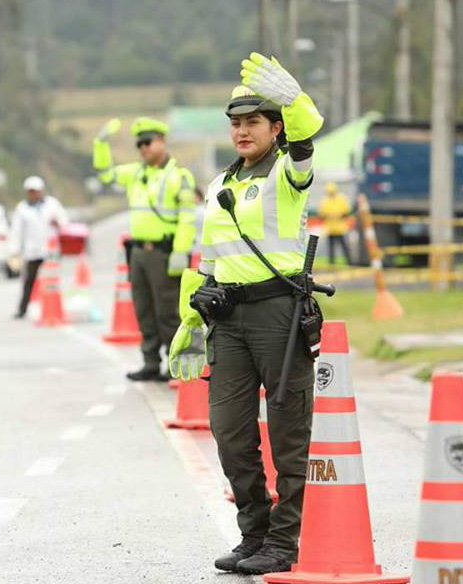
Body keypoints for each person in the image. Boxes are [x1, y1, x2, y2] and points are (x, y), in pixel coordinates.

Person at [169, 53, 325, 575]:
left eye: (253, 121)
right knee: (230, 433)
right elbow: (206, 259)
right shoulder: (218, 187)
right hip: (228, 322)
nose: (241, 131)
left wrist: (296, 102)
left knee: (287, 435)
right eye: (235, 123)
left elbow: (304, 144)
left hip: (278, 316)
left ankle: (284, 542)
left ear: (274, 127)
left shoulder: (288, 170)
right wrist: (192, 320)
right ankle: (253, 535)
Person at [93, 117, 197, 381]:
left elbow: (187, 217)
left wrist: (180, 251)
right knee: (144, 310)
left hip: (164, 253)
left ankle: (173, 366)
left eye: (148, 142)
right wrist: (101, 144)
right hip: (138, 253)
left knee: (168, 313)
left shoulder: (179, 177)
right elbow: (106, 174)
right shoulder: (136, 173)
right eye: (139, 144)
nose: (143, 148)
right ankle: (150, 362)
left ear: (161, 141)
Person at [9, 175, 68, 319]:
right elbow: (17, 231)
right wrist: (14, 251)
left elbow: (64, 221)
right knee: (29, 281)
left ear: (41, 191)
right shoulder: (22, 209)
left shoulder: (52, 204)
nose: (33, 194)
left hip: (51, 251)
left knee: (53, 280)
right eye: (30, 191)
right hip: (32, 250)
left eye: (35, 191)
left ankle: (54, 307)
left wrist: (58, 222)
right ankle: (22, 309)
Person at [318, 182, 352, 265]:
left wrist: (336, 215)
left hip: (340, 228)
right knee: (331, 248)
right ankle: (332, 263)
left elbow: (346, 212)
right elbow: (322, 214)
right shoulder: (325, 201)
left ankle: (349, 262)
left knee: (344, 247)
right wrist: (333, 215)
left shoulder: (341, 199)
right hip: (330, 229)